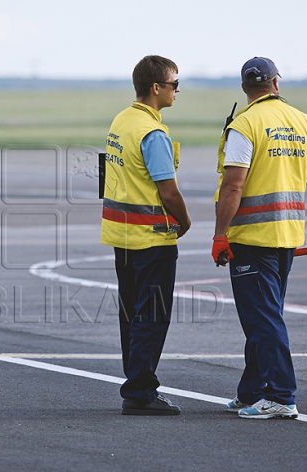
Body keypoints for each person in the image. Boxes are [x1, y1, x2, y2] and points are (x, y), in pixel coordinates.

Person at [211, 57, 307, 419]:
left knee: (262, 318)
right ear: (276, 83)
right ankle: (251, 392)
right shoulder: (304, 122)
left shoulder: (245, 124)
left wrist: (219, 235)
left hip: (252, 237)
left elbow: (234, 184)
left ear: (246, 89)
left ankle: (280, 396)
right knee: (264, 315)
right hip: (287, 236)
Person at [101, 55, 192, 415]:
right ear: (156, 88)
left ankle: (135, 382)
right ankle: (140, 390)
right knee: (152, 316)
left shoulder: (121, 121)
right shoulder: (152, 133)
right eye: (174, 84)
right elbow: (167, 191)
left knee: (132, 313)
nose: (177, 90)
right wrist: (184, 222)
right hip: (152, 238)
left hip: (121, 235)